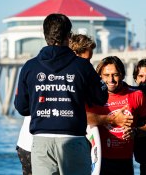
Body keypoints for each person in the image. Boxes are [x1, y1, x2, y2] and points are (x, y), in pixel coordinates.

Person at [14, 13, 108, 175]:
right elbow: (101, 97)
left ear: (45, 36)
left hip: (41, 141)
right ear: (68, 36)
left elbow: (22, 107)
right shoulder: (82, 66)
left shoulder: (30, 67)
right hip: (73, 139)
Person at [86, 56, 146, 175]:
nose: (111, 79)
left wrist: (136, 131)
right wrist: (112, 119)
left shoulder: (137, 95)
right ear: (100, 76)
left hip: (125, 162)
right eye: (106, 75)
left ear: (122, 75)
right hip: (98, 161)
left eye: (115, 74)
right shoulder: (92, 97)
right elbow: (82, 118)